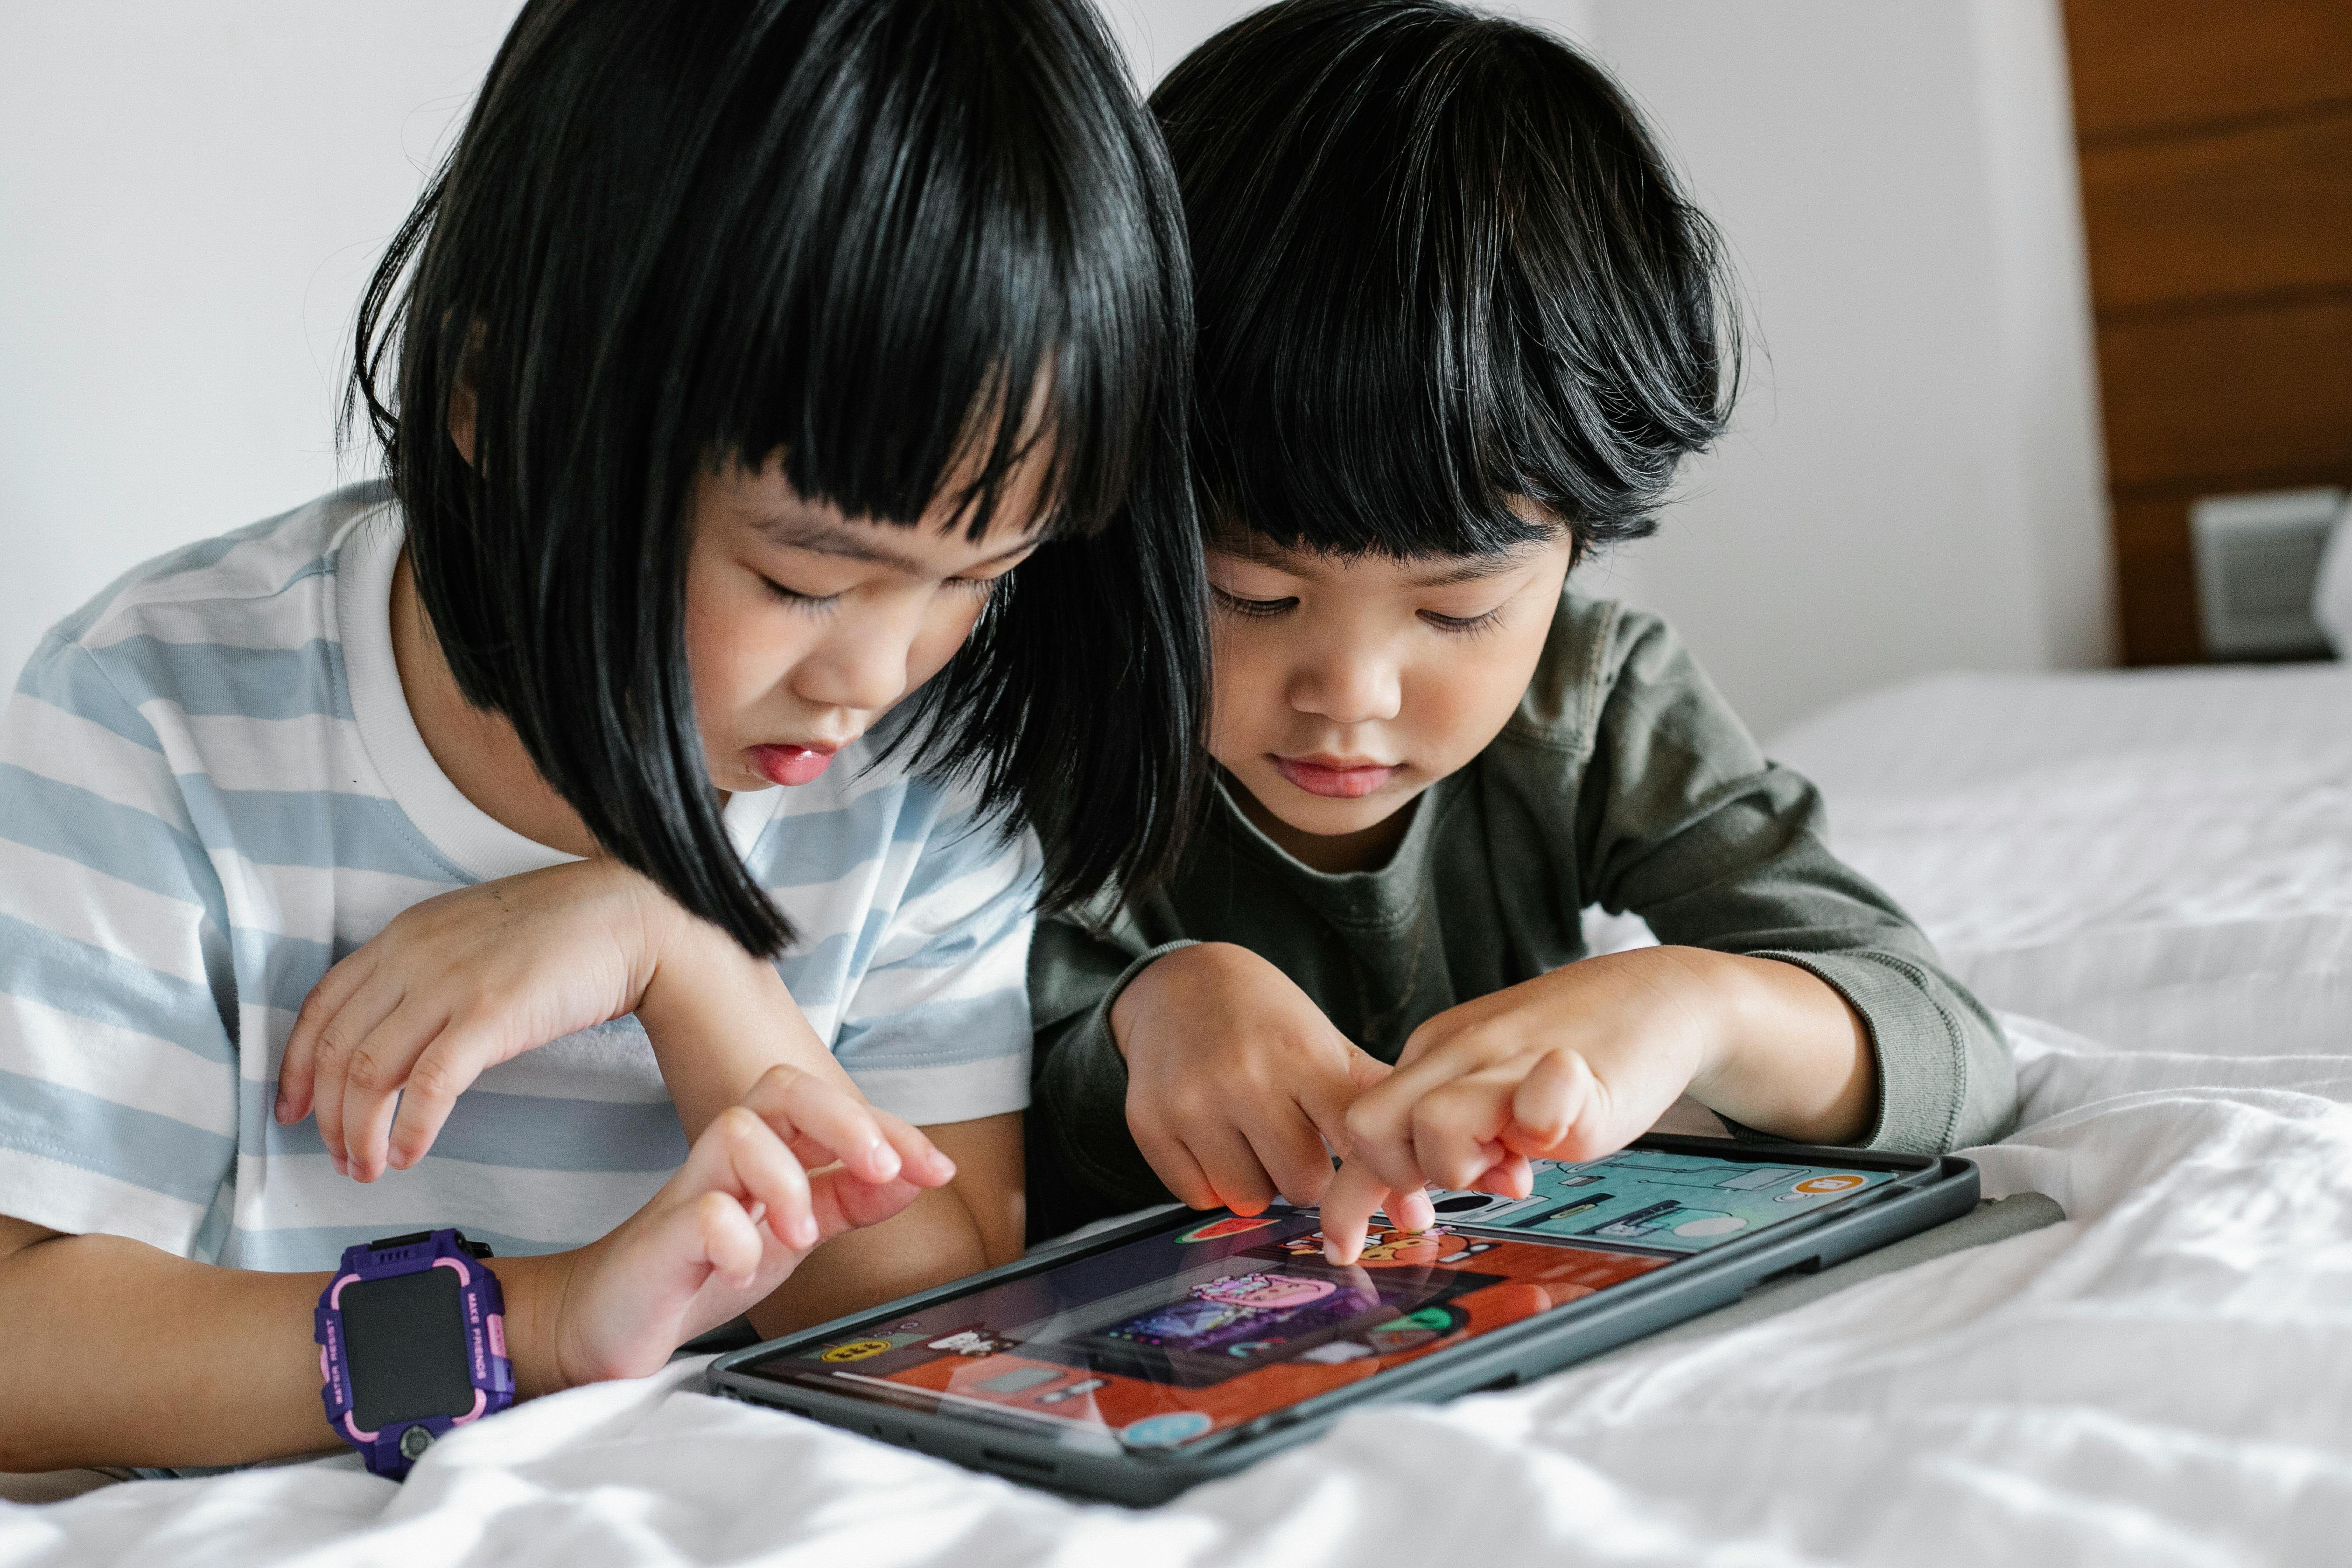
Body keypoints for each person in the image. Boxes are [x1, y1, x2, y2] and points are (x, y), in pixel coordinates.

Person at [0, 0, 1203, 1474]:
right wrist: (541, 1320)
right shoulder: (163, 719)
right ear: (496, 406)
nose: (881, 672)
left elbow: (953, 1317)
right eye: (802, 580)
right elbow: (19, 1339)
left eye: (979, 576)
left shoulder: (923, 772)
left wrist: (679, 961)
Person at [1025, 0, 2016, 1260]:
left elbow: (1948, 1042)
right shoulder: (1047, 717)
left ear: (1579, 547)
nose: (1353, 693)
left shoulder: (1594, 706)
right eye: (1251, 595)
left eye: (1458, 609)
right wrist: (1145, 1017)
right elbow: (938, 1116)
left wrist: (1696, 1003)